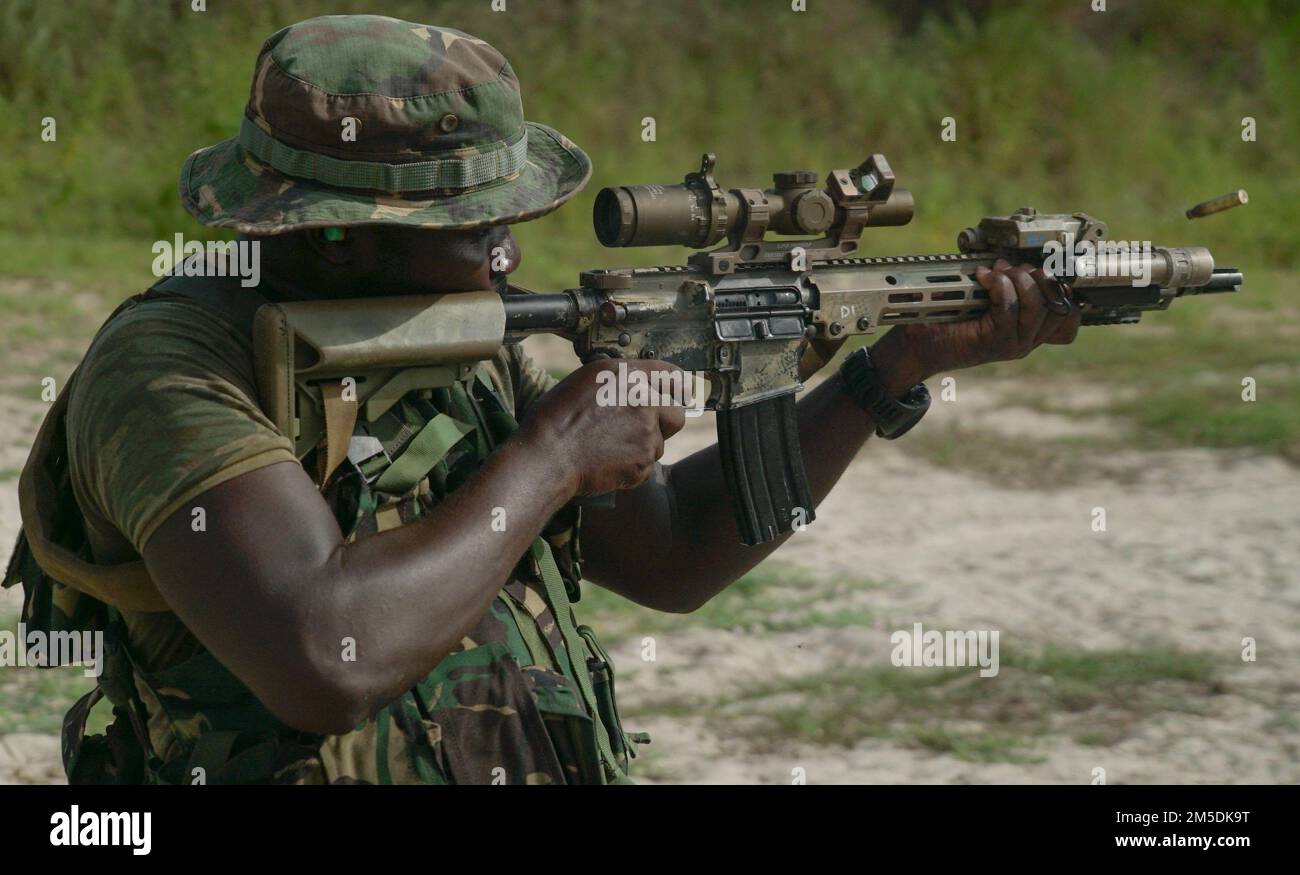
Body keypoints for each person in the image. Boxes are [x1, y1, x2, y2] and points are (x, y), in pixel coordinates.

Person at [4, 14, 1079, 784]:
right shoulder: (170, 370)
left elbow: (671, 553)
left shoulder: (471, 336)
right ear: (337, 231)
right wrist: (555, 451)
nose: (508, 252)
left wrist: (882, 375)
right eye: (480, 230)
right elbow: (324, 656)